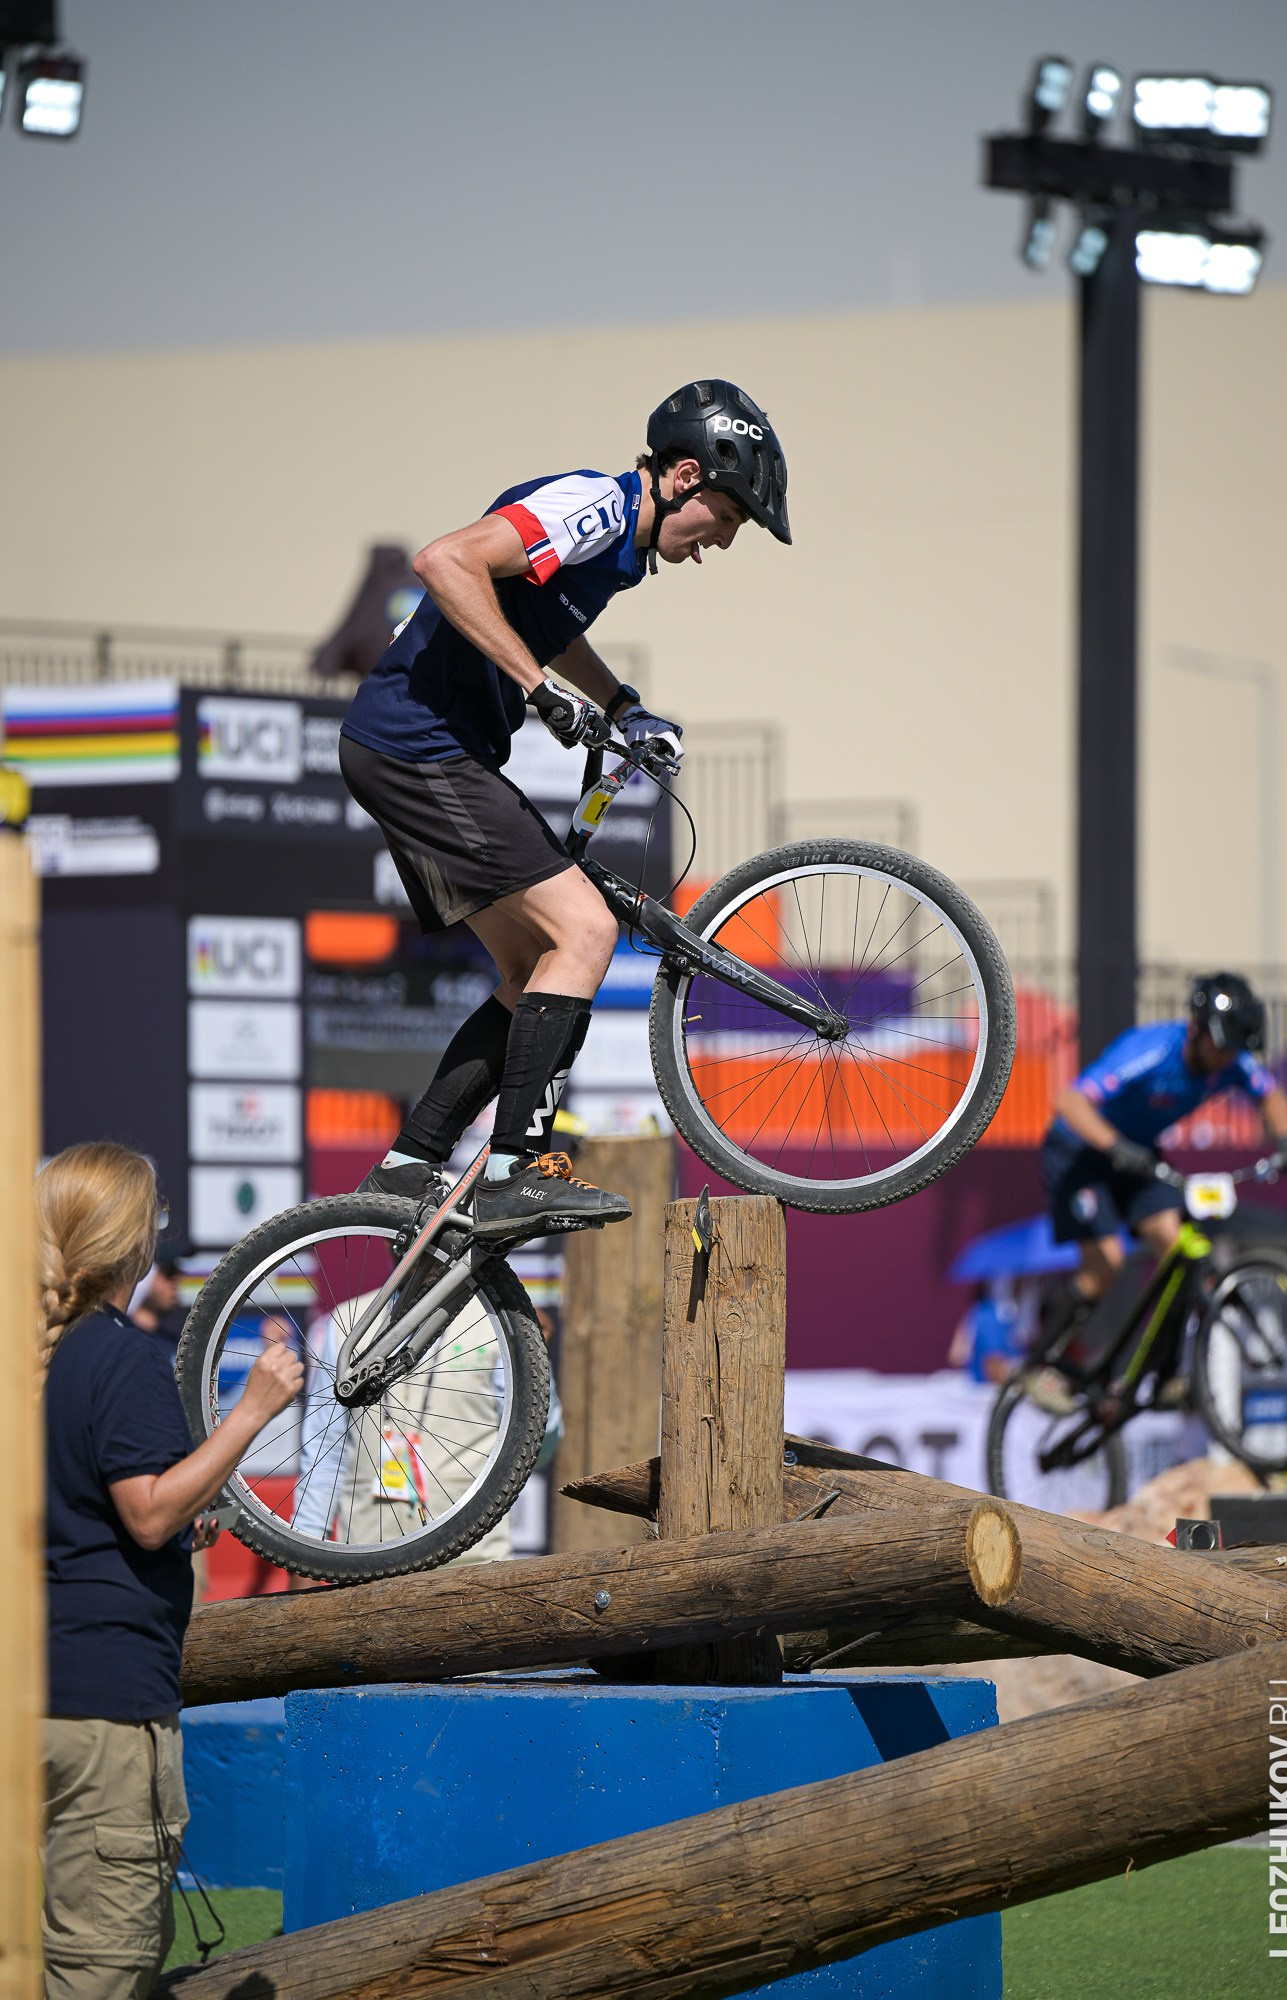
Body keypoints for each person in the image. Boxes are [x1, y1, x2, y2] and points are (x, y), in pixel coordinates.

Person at [339, 380, 791, 1236]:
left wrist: (620, 705)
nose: (719, 545)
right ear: (685, 475)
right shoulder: (599, 507)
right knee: (584, 932)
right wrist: (538, 690)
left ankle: (409, 1166)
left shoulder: (617, 550)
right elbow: (445, 561)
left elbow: (546, 620)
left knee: (531, 967)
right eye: (725, 519)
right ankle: (514, 1170)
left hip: (426, 750)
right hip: (415, 746)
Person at [39, 1142, 303, 1999]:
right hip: (102, 1712)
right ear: (135, 1245)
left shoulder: (38, 1356)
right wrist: (253, 1411)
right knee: (99, 1974)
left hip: (32, 1695)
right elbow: (148, 1510)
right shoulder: (115, 1353)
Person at [1040, 973, 1287, 1322]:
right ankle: (1043, 1359)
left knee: (1176, 1248)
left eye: (1234, 1049)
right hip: (1078, 1150)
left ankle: (1171, 1365)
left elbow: (1271, 1094)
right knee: (1106, 1264)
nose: (1229, 1057)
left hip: (1137, 1154)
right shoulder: (1152, 1050)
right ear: (1196, 1030)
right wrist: (1115, 1146)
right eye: (1222, 1045)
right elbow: (1070, 1101)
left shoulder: (1230, 1061)